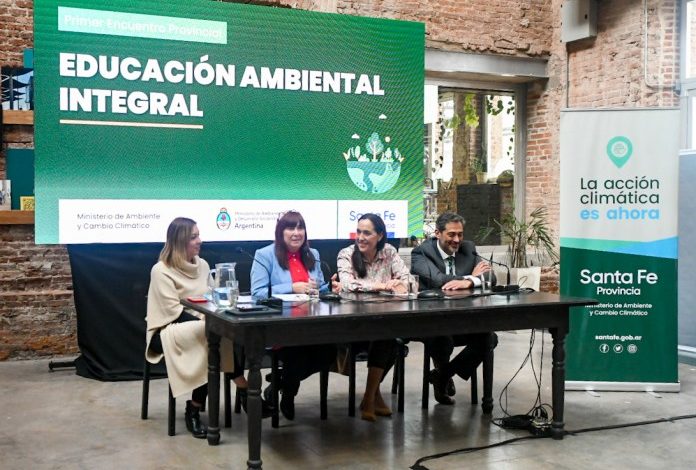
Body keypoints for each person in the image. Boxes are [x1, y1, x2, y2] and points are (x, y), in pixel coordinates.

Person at [146, 217, 270, 439]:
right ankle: (241, 388)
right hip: (166, 329)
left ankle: (197, 406)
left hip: (201, 326)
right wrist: (207, 322)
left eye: (198, 235)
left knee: (217, 334)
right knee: (211, 334)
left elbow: (214, 297)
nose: (199, 241)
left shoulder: (202, 265)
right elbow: (172, 312)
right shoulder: (161, 270)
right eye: (194, 237)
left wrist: (213, 318)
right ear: (180, 241)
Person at [250, 211, 337, 421]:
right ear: (281, 232)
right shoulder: (264, 255)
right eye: (291, 228)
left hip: (312, 323)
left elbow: (318, 289)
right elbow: (257, 294)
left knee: (329, 352)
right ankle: (288, 394)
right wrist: (291, 287)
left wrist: (330, 286)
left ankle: (278, 384)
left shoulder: (312, 254)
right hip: (281, 326)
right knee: (297, 353)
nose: (297, 233)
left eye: (301, 228)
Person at [410, 211, 498, 405]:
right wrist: (471, 278)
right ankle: (443, 379)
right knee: (443, 340)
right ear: (437, 233)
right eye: (451, 234)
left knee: (489, 337)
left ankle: (441, 375)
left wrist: (469, 281)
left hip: (463, 319)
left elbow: (491, 278)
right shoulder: (421, 252)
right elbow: (438, 281)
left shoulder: (469, 249)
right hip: (430, 321)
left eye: (460, 234)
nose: (457, 239)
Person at [334, 213, 409, 421]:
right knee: (386, 339)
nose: (360, 237)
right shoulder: (346, 254)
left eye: (367, 233)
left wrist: (400, 284)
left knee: (392, 340)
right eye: (358, 232)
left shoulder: (389, 252)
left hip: (383, 320)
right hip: (353, 324)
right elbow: (347, 284)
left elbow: (409, 281)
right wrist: (383, 285)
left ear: (380, 235)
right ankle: (372, 396)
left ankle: (369, 396)